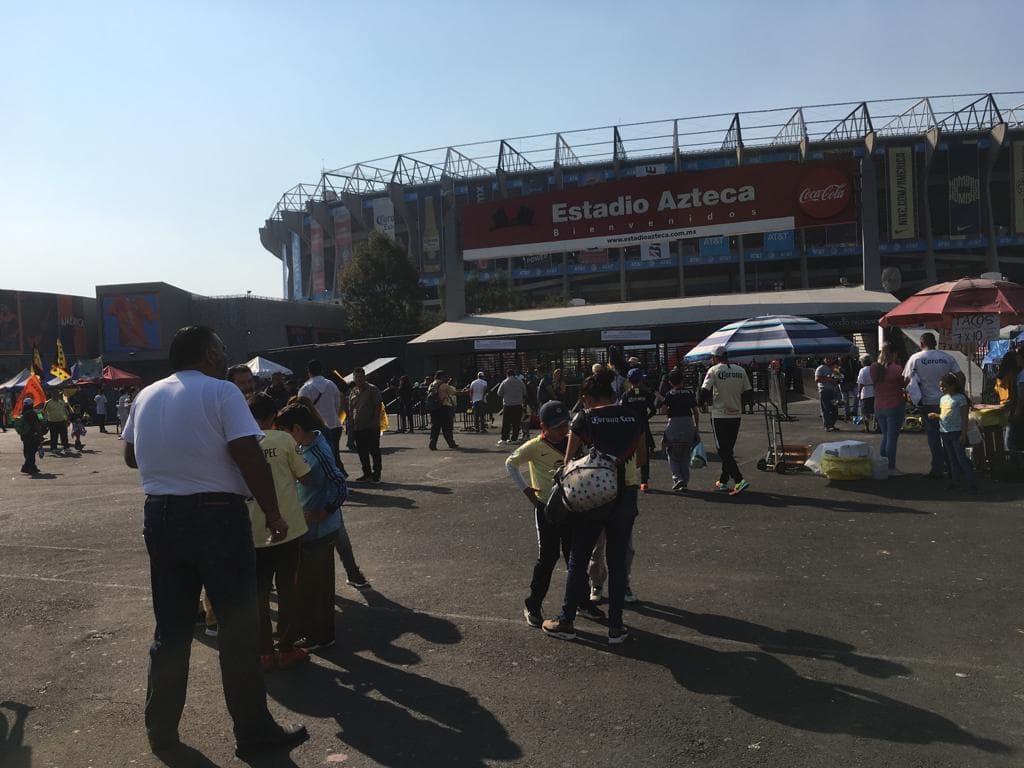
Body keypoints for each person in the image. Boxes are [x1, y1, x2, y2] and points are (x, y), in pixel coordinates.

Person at [121, 325, 307, 758]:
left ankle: (161, 732)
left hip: (161, 514)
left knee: (171, 630)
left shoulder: (146, 394)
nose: (225, 355)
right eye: (221, 349)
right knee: (238, 630)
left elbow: (131, 456)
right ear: (208, 355)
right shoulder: (222, 392)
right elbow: (249, 455)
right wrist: (273, 513)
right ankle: (253, 734)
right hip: (217, 517)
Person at [542, 371, 646, 645]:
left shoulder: (585, 418)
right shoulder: (633, 416)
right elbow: (642, 458)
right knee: (617, 560)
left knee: (580, 557)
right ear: (612, 394)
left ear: (588, 397)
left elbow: (568, 462)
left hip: (592, 493)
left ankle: (567, 621)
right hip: (626, 492)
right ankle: (616, 628)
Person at [506, 400, 604, 628]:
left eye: (565, 425)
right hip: (548, 509)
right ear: (543, 426)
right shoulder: (534, 446)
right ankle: (533, 604)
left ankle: (581, 601)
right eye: (557, 426)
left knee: (575, 557)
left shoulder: (573, 441)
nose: (563, 430)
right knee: (548, 558)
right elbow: (511, 463)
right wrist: (526, 489)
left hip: (573, 507)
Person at [276, 403, 365, 650]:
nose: (282, 436)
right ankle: (310, 631)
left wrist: (324, 511)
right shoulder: (303, 445)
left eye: (284, 431)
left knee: (319, 587)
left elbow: (340, 484)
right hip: (306, 529)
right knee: (307, 585)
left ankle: (322, 635)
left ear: (296, 428)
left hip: (320, 531)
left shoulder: (317, 450)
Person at [246, 393, 312, 672]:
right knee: (288, 589)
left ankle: (263, 651)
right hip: (288, 526)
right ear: (274, 416)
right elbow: (306, 477)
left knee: (259, 593)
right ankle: (285, 647)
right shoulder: (284, 440)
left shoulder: (239, 442)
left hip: (253, 528)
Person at [904, 332, 961, 479]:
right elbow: (961, 376)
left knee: (933, 436)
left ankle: (937, 468)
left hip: (927, 402)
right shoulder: (947, 357)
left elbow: (906, 379)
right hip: (947, 401)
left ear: (921, 344)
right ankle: (953, 466)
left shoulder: (915, 358)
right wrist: (958, 394)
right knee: (948, 434)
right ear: (935, 343)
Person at [701, 347, 752, 495]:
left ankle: (739, 479)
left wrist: (700, 403)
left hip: (720, 415)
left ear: (716, 357)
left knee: (723, 450)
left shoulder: (713, 370)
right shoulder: (740, 370)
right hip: (735, 414)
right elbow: (749, 392)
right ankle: (723, 480)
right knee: (728, 450)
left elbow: (704, 391)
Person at [928, 373, 978, 493]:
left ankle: (971, 483)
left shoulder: (960, 398)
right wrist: (936, 416)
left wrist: (963, 433)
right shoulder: (943, 399)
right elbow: (944, 415)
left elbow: (964, 417)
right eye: (941, 386)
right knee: (951, 459)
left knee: (961, 458)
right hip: (944, 431)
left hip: (956, 432)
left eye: (944, 386)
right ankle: (955, 482)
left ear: (953, 386)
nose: (942, 389)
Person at [298, 359, 344, 470]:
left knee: (320, 456)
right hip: (334, 424)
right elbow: (337, 404)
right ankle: (339, 473)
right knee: (335, 453)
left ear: (308, 371)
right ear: (321, 370)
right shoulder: (331, 384)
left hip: (317, 427)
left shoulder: (305, 388)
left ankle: (332, 474)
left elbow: (302, 410)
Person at [660, 370, 700, 491]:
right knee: (685, 455)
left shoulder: (670, 394)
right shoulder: (689, 393)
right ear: (683, 380)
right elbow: (696, 412)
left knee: (672, 454)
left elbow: (663, 411)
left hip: (674, 425)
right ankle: (685, 482)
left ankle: (678, 478)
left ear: (670, 382)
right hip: (688, 424)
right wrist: (696, 427)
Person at [871, 343, 907, 475]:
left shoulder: (874, 367)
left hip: (879, 405)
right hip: (894, 405)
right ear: (893, 354)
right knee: (892, 438)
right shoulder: (897, 368)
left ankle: (883, 465)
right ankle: (891, 467)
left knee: (885, 436)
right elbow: (903, 383)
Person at [619, 368, 656, 492]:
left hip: (629, 427)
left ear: (629, 381)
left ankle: (627, 479)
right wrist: (645, 418)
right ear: (640, 380)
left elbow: (621, 411)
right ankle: (644, 481)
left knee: (627, 453)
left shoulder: (626, 395)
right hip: (643, 427)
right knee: (644, 453)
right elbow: (654, 409)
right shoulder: (646, 394)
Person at [348, 367, 383, 482]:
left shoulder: (372, 389)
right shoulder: (354, 391)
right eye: (356, 377)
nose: (358, 379)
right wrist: (351, 424)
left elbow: (378, 406)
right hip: (358, 426)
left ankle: (376, 474)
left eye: (360, 377)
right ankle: (366, 473)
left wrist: (375, 421)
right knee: (362, 452)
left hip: (371, 426)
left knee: (374, 450)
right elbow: (351, 409)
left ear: (364, 377)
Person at [427, 371, 460, 450]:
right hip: (443, 407)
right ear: (441, 376)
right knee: (447, 427)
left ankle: (432, 443)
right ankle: (451, 443)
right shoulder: (444, 385)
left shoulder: (431, 385)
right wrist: (465, 392)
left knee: (435, 426)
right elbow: (454, 392)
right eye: (445, 376)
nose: (446, 378)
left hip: (434, 408)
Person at [13, 396, 44, 474]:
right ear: (31, 404)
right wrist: (40, 435)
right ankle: (29, 467)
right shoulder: (32, 413)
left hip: (24, 435)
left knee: (27, 450)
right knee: (31, 451)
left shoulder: (22, 413)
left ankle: (30, 466)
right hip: (32, 434)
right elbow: (37, 424)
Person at [496, 369, 527, 446]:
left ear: (507, 375)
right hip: (518, 405)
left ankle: (504, 438)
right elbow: (525, 392)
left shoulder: (504, 382)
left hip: (508, 405)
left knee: (506, 423)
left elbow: (499, 393)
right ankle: (514, 438)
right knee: (516, 423)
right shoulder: (520, 382)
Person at [814, 358, 841, 432]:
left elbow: (838, 379)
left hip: (834, 391)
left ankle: (832, 425)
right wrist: (829, 379)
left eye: (830, 358)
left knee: (834, 409)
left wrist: (836, 379)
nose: (829, 360)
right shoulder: (820, 368)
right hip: (825, 390)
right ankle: (827, 426)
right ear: (824, 359)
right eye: (827, 358)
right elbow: (817, 379)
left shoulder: (835, 368)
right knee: (826, 409)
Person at [855, 355, 876, 433]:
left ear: (863, 362)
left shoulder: (863, 370)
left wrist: (859, 392)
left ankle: (866, 427)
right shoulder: (874, 369)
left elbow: (861, 383)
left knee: (865, 412)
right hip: (874, 391)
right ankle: (877, 426)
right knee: (875, 411)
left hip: (866, 392)